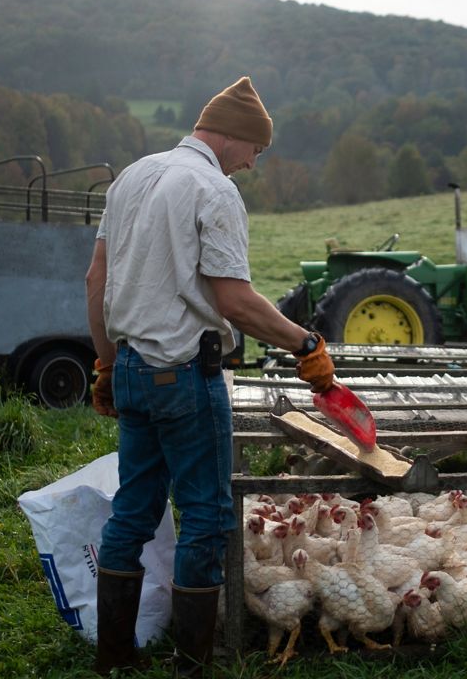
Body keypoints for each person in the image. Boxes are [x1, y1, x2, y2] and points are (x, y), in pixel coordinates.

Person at [84, 76, 336, 676]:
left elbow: (96, 280)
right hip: (185, 377)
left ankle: (114, 658)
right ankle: (191, 665)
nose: (252, 164)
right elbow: (235, 301)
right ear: (232, 137)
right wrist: (305, 343)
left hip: (132, 371)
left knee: (134, 509)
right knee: (204, 515)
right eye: (256, 150)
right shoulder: (212, 189)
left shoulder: (133, 177)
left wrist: (106, 363)